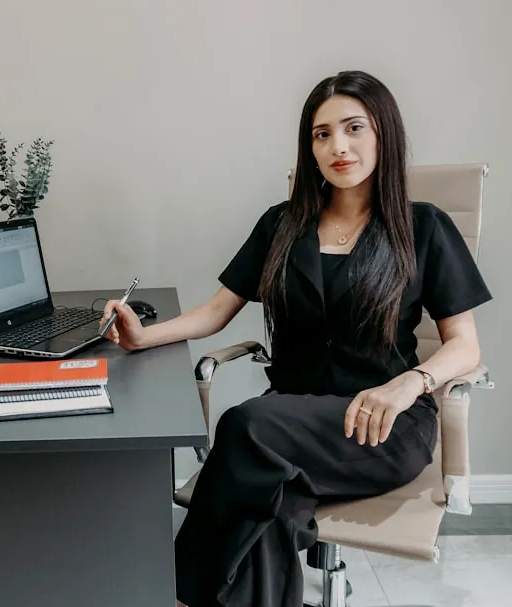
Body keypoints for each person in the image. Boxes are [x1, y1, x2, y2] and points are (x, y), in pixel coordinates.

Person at [100, 70, 492, 607]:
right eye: (321, 134)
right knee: (273, 510)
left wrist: (410, 384)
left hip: (380, 427)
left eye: (354, 128)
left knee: (243, 424)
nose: (338, 146)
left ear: (384, 135)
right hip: (291, 420)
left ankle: (170, 590)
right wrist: (143, 338)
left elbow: (466, 345)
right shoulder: (282, 224)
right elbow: (217, 311)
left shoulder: (424, 228)